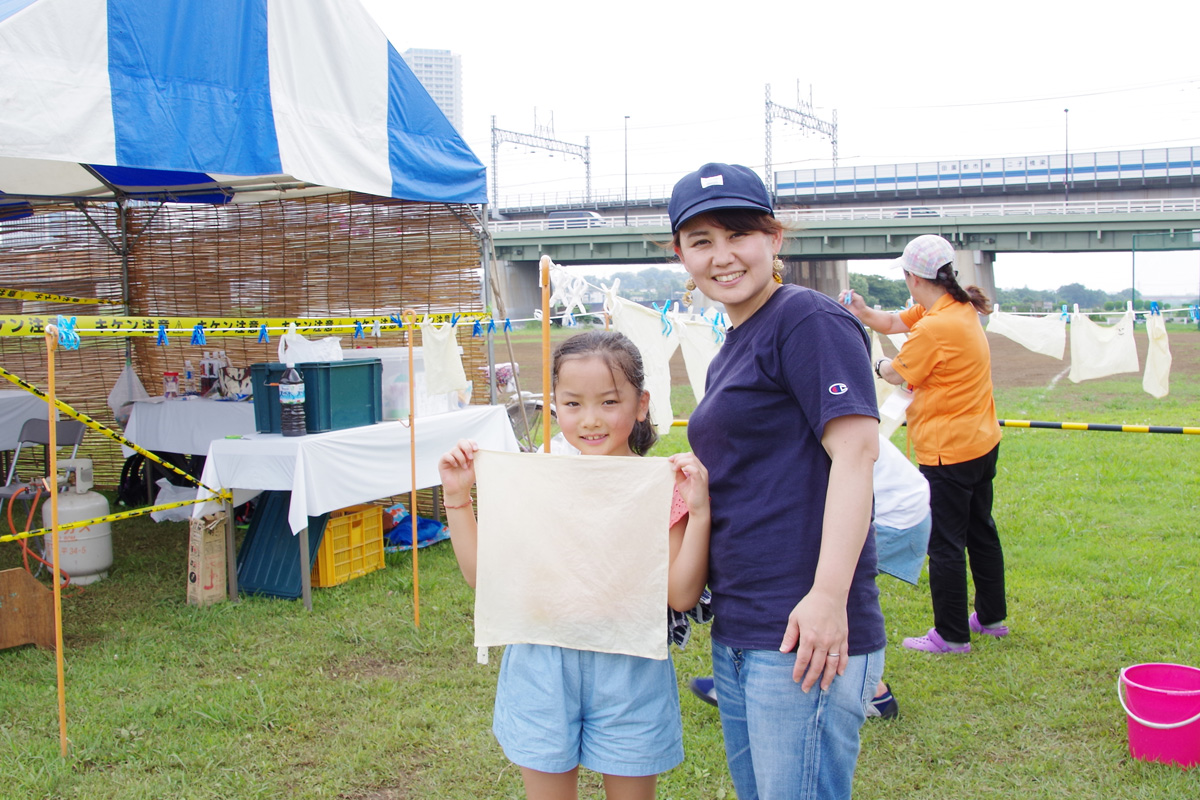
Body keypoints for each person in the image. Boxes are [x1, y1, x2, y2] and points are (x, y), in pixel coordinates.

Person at [672, 163, 885, 800]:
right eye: (701, 241)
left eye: (739, 233)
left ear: (774, 238)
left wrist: (827, 599)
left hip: (801, 627)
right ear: (680, 253)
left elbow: (856, 455)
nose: (723, 256)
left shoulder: (806, 320)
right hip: (741, 621)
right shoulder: (735, 341)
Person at [437, 330, 711, 800]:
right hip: (541, 664)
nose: (590, 420)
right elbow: (485, 579)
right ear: (554, 407)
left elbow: (681, 596)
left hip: (632, 670)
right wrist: (458, 500)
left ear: (641, 404)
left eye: (609, 402)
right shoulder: (536, 484)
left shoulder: (662, 489)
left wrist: (701, 511)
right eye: (572, 404)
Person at [839, 234, 1009, 655]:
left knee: (946, 543)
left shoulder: (936, 326)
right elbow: (895, 322)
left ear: (913, 277)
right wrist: (862, 313)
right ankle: (992, 617)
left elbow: (896, 373)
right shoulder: (956, 306)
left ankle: (951, 635)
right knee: (981, 532)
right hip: (982, 441)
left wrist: (873, 363)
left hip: (947, 450)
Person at [688, 434, 931, 721]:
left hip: (893, 509)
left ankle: (872, 695)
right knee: (817, 591)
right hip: (895, 498)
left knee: (824, 593)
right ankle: (749, 673)